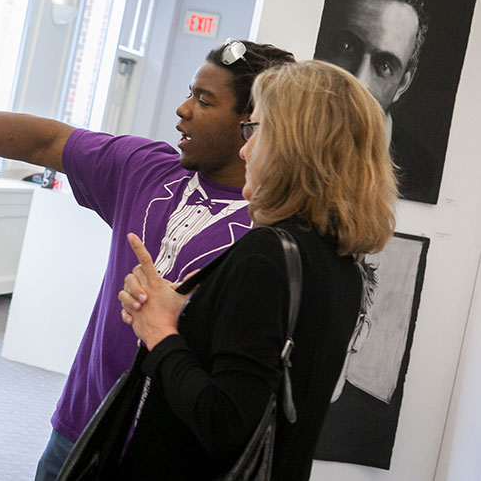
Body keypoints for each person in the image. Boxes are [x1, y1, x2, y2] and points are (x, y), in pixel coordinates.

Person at [0, 39, 295, 480]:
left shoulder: (278, 234)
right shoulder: (148, 168)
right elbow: (46, 141)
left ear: (251, 122)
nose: (183, 110)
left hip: (169, 455)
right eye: (188, 93)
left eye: (204, 99)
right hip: (81, 427)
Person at [116, 60, 398, 480]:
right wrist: (183, 315)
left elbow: (223, 421)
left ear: (295, 145)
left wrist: (158, 331)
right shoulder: (341, 263)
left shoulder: (266, 255)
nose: (245, 149)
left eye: (256, 130)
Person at [314, 0, 432, 201]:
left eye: (385, 65)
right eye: (346, 47)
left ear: (403, 84)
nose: (359, 81)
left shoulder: (420, 173)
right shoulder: (283, 140)